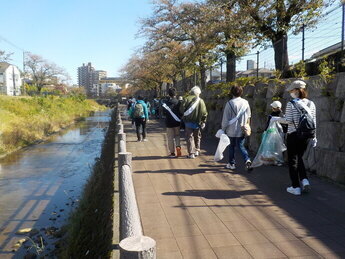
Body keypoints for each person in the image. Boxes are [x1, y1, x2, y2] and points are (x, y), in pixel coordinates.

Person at [281, 80, 316, 195]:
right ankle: (304, 180)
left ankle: (295, 187)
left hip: (293, 135)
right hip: (307, 135)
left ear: (296, 91)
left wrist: (276, 119)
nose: (290, 92)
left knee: (292, 161)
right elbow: (313, 122)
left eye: (291, 90)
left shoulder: (292, 104)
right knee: (299, 157)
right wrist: (314, 137)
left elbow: (288, 120)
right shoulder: (311, 104)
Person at [221, 85, 252, 171]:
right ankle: (247, 159)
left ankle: (232, 164)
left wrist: (223, 129)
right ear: (241, 92)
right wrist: (247, 126)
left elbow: (225, 119)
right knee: (241, 146)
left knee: (231, 147)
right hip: (242, 128)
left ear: (231, 92)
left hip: (231, 129)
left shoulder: (229, 103)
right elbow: (249, 115)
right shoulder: (246, 102)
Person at [180, 86, 208, 159]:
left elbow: (181, 109)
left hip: (188, 122)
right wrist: (203, 121)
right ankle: (197, 151)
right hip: (198, 122)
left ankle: (191, 153)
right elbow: (204, 112)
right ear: (198, 93)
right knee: (197, 136)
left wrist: (184, 115)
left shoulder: (186, 99)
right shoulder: (201, 101)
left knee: (189, 137)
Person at [162, 88, 182, 157]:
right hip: (177, 122)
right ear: (175, 94)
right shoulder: (179, 102)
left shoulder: (165, 103)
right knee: (177, 136)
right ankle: (178, 147)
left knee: (170, 138)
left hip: (169, 123)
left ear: (168, 94)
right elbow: (181, 112)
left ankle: (172, 153)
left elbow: (164, 113)